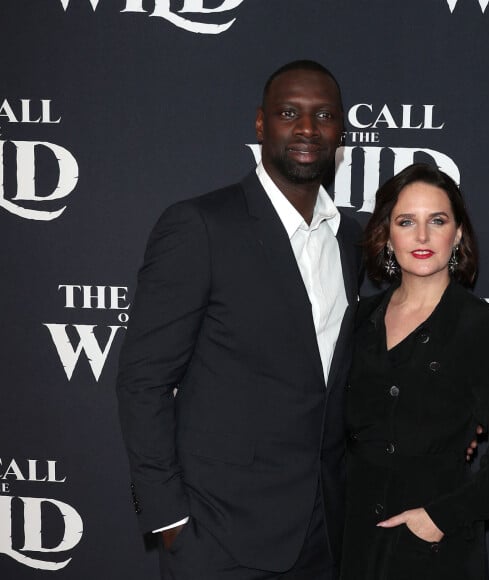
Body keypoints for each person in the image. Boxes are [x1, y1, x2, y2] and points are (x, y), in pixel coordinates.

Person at [116, 60, 361, 580]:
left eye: (323, 116)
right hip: (219, 540)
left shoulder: (351, 242)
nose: (306, 129)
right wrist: (169, 520)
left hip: (326, 537)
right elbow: (143, 381)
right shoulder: (201, 227)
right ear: (260, 123)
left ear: (341, 131)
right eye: (289, 112)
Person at [340, 163, 489, 580]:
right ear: (386, 234)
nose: (422, 236)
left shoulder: (482, 327)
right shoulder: (360, 319)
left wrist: (440, 517)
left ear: (459, 233)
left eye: (437, 220)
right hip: (352, 544)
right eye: (406, 221)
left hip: (434, 553)